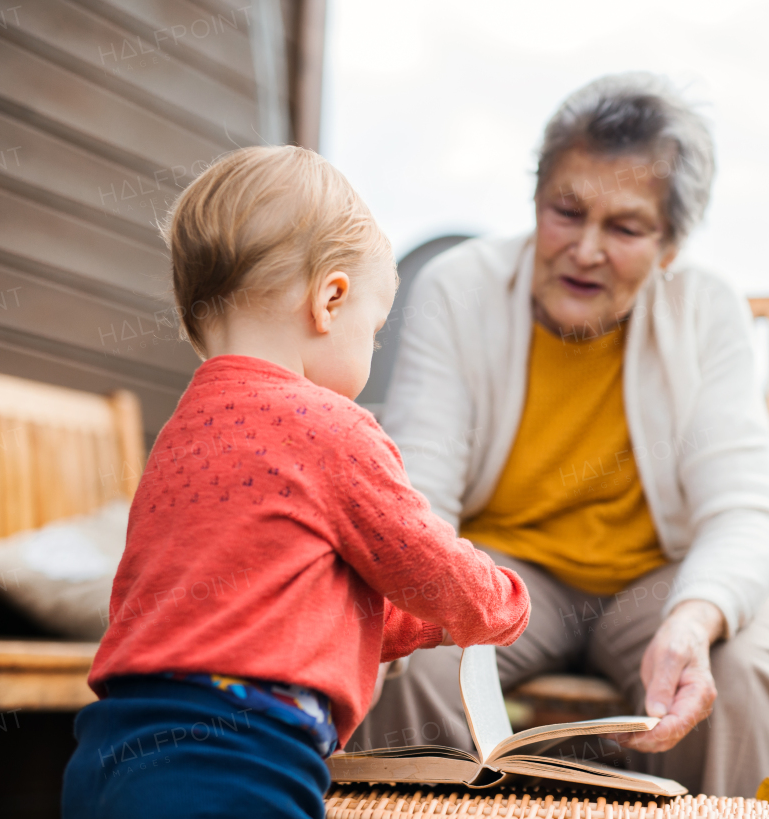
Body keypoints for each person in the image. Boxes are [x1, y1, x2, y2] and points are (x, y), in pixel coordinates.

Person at [351, 73, 769, 797]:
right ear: (536, 199)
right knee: (413, 654)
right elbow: (419, 501)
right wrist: (435, 607)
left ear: (671, 246)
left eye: (626, 227)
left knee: (739, 661)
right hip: (501, 573)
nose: (585, 248)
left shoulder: (708, 310)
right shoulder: (457, 288)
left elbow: (744, 513)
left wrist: (694, 620)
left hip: (667, 574)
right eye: (566, 211)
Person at [62, 146, 531, 819]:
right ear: (330, 300)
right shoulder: (333, 428)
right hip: (238, 754)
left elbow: (283, 593)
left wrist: (420, 624)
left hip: (109, 746)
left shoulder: (181, 434)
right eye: (372, 332)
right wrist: (499, 602)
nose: (371, 351)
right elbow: (424, 559)